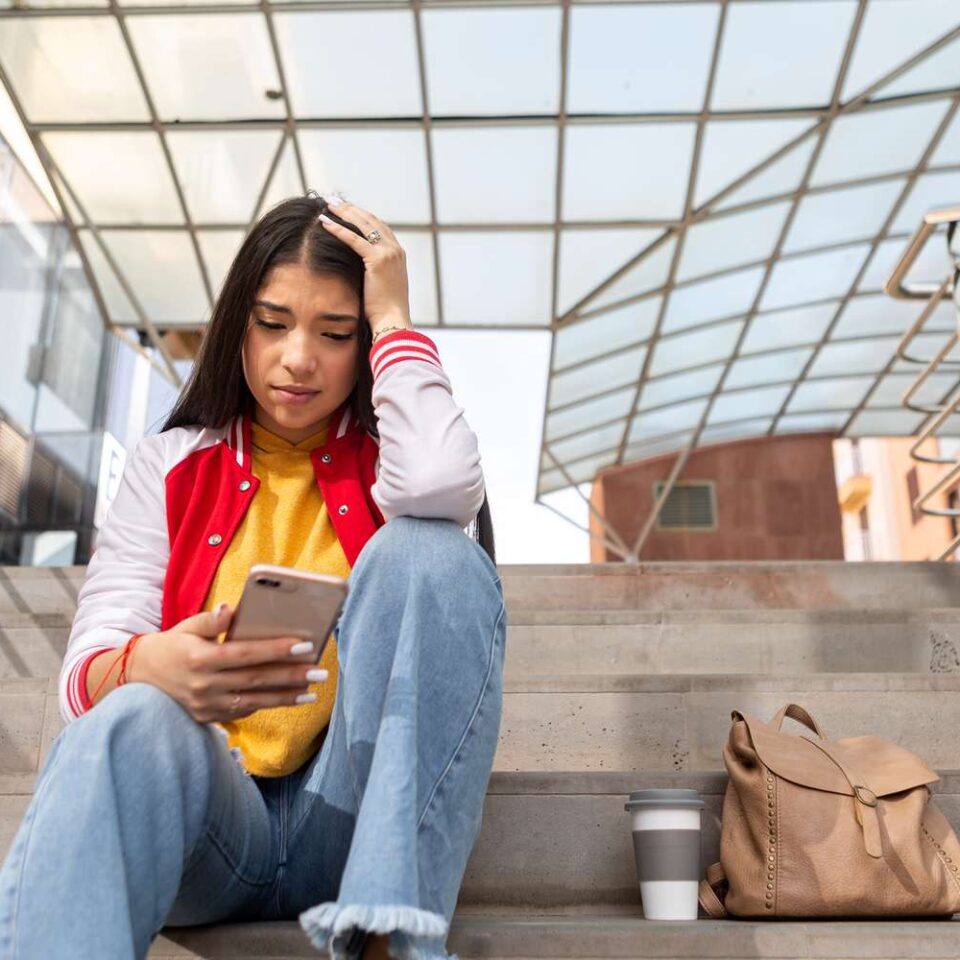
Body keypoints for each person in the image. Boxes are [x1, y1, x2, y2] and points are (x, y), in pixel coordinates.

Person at [0, 192, 506, 960]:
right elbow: (80, 681)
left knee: (432, 554)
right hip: (206, 826)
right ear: (237, 323)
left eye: (335, 333)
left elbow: (442, 481)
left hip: (351, 825)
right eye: (272, 323)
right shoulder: (168, 464)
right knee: (129, 720)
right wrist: (149, 666)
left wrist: (395, 319)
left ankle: (389, 939)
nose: (298, 358)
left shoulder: (396, 466)